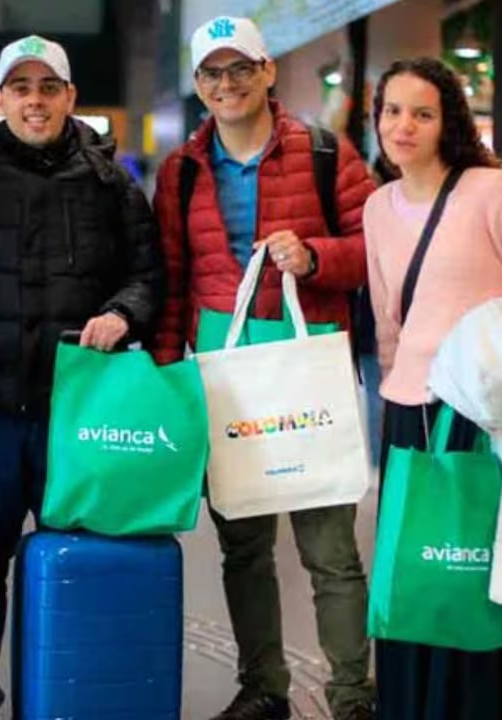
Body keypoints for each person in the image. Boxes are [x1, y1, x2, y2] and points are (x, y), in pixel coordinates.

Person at [0, 33, 163, 720]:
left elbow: (147, 275)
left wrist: (122, 312)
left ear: (70, 96)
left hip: (77, 414)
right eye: (20, 88)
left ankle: (67, 693)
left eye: (49, 87)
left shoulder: (110, 181)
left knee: (77, 558)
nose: (35, 101)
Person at [149, 16, 375, 720]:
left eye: (241, 68)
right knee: (243, 548)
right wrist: (167, 375)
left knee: (330, 550)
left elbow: (376, 247)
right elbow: (172, 279)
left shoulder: (326, 154)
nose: (228, 84)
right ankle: (263, 688)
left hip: (308, 368)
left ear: (267, 70)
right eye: (213, 73)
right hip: (225, 377)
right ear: (198, 85)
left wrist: (315, 257)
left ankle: (352, 696)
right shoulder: (182, 172)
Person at [364, 57, 502, 720]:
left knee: (473, 569)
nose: (403, 126)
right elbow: (388, 320)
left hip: (479, 415)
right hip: (406, 411)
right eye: (392, 111)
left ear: (448, 122)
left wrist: (494, 355)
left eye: (422, 113)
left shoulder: (492, 193)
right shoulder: (377, 207)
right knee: (413, 570)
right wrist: (397, 381)